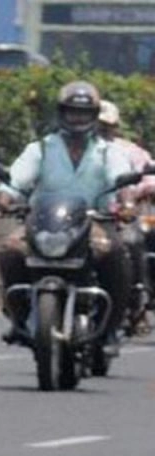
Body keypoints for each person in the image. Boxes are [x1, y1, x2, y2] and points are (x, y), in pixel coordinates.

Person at [0, 82, 132, 353]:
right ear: (62, 113)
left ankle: (111, 328)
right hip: (43, 224)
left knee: (117, 253)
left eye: (83, 113)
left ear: (93, 115)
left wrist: (126, 204)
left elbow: (120, 178)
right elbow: (16, 179)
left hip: (93, 224)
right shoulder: (42, 149)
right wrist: (3, 201)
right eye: (72, 112)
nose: (77, 118)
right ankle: (19, 316)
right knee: (10, 250)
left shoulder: (107, 151)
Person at [97, 99, 153, 322]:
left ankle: (135, 300)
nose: (98, 131)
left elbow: (148, 177)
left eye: (104, 126)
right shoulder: (66, 149)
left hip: (118, 219)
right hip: (76, 218)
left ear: (115, 127)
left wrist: (133, 199)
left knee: (131, 240)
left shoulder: (130, 152)